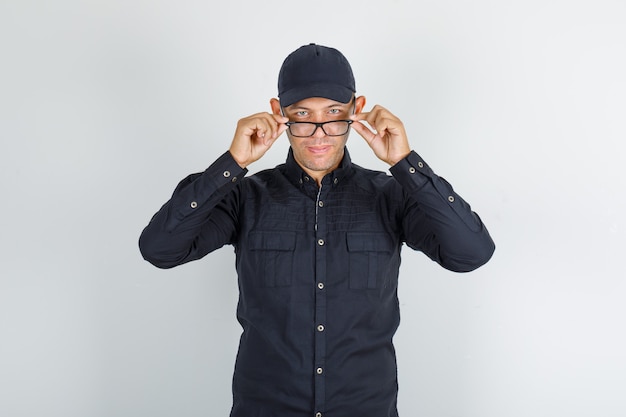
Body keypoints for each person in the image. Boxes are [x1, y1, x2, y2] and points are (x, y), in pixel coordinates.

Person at [139, 43, 495, 417]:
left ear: (356, 111)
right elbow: (160, 250)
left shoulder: (393, 194)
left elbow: (471, 253)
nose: (319, 133)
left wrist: (406, 164)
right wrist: (232, 163)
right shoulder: (245, 196)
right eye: (303, 114)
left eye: (334, 113)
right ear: (279, 114)